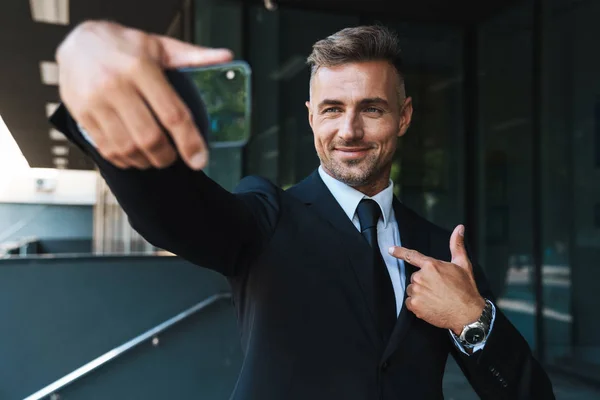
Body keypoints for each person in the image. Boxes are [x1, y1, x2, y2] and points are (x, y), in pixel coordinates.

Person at [50, 20, 555, 400]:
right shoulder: (267, 217)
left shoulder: (444, 250)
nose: (349, 131)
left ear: (403, 117)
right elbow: (171, 213)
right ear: (312, 116)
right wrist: (96, 85)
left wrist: (473, 319)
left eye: (371, 109)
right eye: (333, 109)